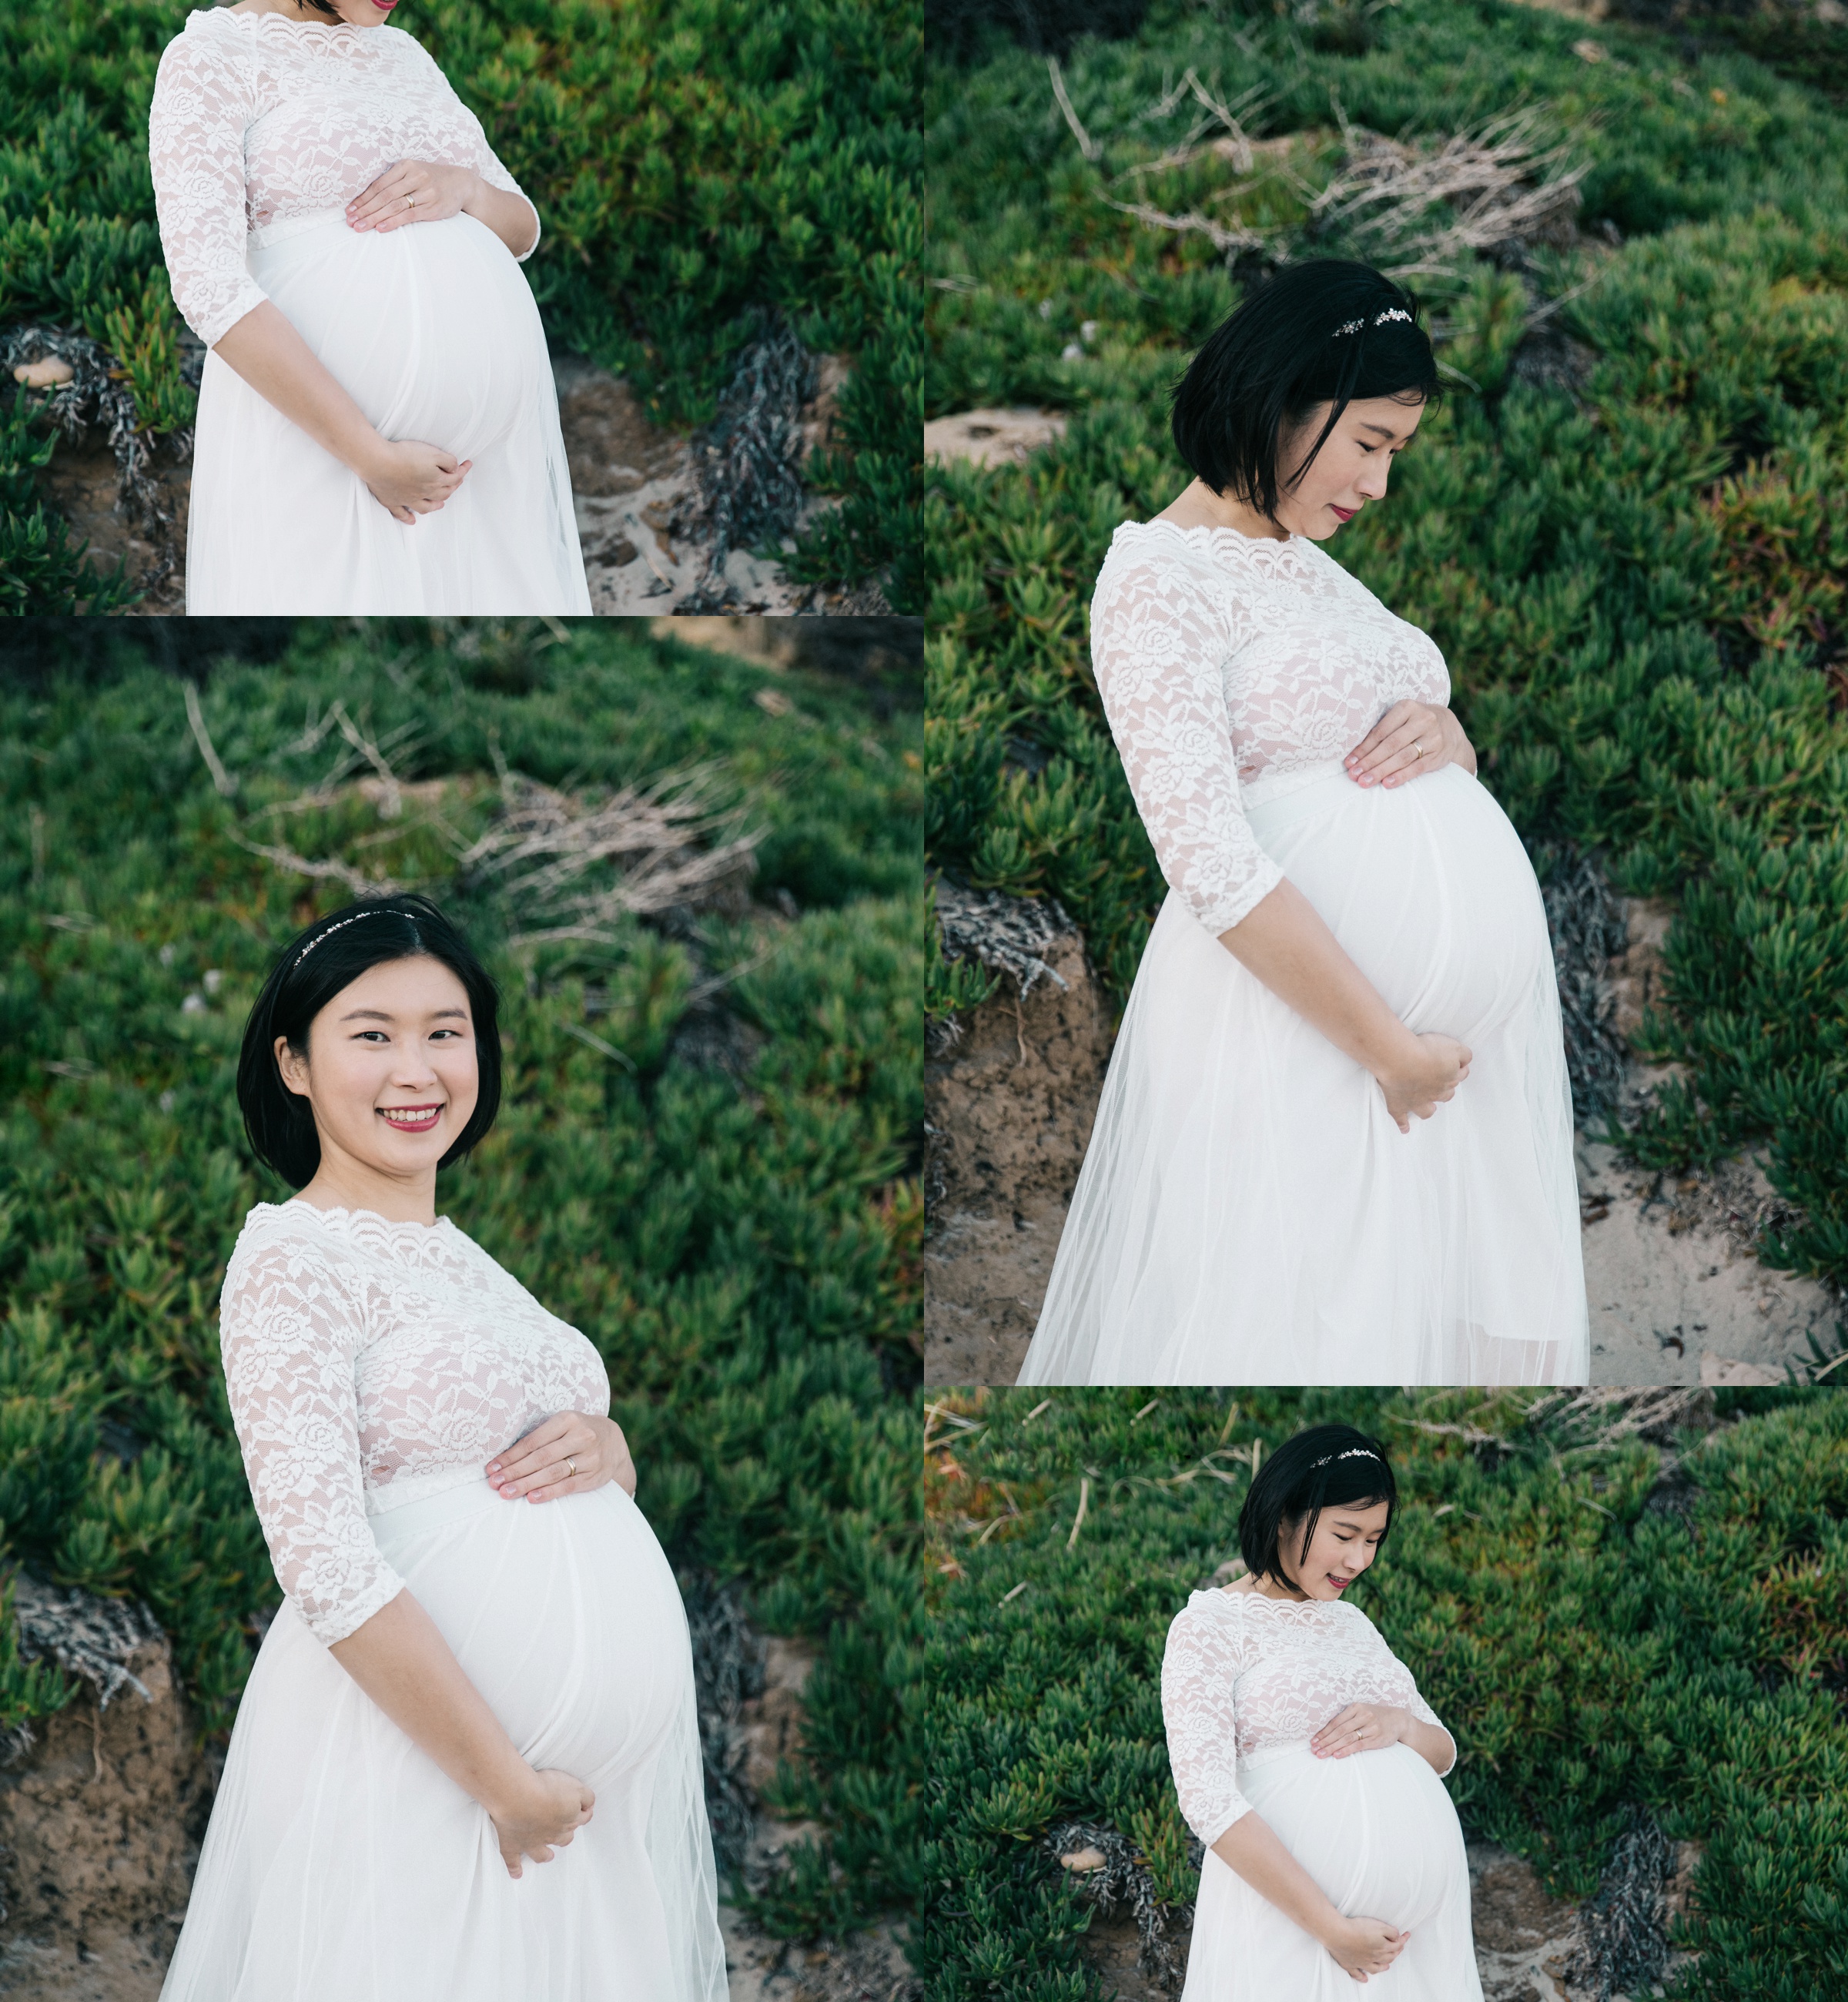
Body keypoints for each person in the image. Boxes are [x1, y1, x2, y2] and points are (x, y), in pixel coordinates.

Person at [1018, 259, 1587, 1387]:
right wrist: (1392, 1052)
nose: (1379, 486)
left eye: (1395, 454)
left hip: (1427, 1074)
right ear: (1288, 395)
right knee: (1304, 1335)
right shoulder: (1158, 580)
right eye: (1370, 442)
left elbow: (1388, 744)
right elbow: (1210, 862)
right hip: (1309, 1040)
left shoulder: (1310, 568)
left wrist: (1449, 738)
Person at [160, 896, 722, 2002]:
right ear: (293, 1062)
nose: (415, 1069)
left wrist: (610, 1454)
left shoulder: (466, 1261)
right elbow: (321, 1561)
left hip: (563, 1820)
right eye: (371, 1034)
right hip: (425, 1777)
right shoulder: (292, 1259)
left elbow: (536, 1482)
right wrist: (503, 1782)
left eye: (445, 1031)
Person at [148, 0, 591, 614]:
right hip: (325, 451)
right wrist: (370, 455)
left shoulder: (405, 55)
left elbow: (521, 230)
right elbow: (207, 286)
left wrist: (465, 189)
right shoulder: (210, 58)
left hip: (482, 473)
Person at [1161, 1424, 1481, 1997]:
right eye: (1345, 1533)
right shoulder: (1208, 1627)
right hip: (1297, 1929)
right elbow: (1206, 1801)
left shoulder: (1354, 1625)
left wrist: (1400, 1724)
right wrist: (1331, 1928)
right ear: (1285, 1514)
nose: (1359, 1559)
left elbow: (1442, 1752)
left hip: (1412, 1942)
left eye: (1375, 1539)